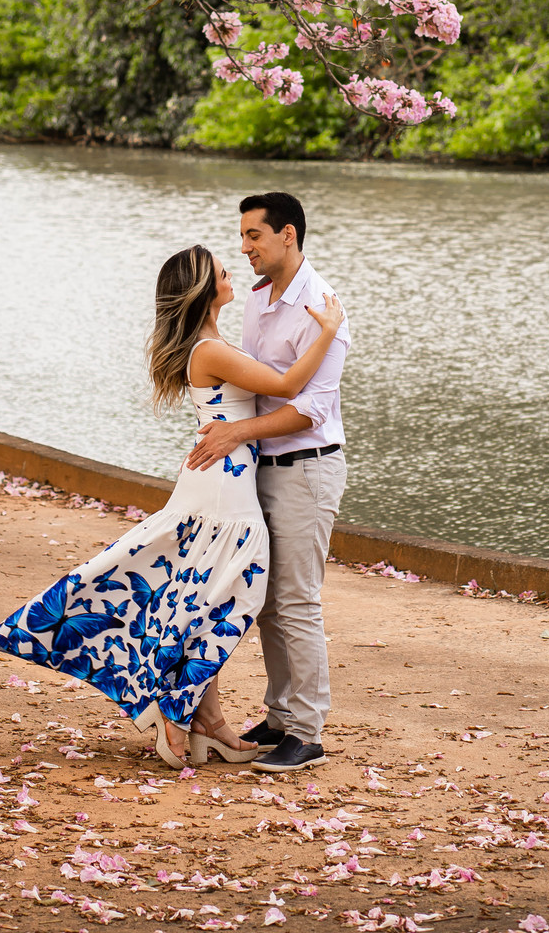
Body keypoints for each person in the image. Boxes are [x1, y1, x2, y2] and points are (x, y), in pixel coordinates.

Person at [0, 244, 344, 770]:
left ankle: (203, 718)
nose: (233, 273)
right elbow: (290, 386)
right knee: (223, 599)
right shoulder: (209, 349)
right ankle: (181, 711)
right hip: (226, 490)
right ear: (203, 290)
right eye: (223, 272)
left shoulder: (214, 343)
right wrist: (329, 330)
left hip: (222, 479)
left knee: (206, 598)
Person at [187, 191, 347, 773]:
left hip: (307, 467)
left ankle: (306, 733)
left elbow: (311, 408)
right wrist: (219, 425)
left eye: (253, 235)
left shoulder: (322, 306)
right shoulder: (258, 301)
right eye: (242, 237)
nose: (244, 246)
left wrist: (235, 433)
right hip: (260, 471)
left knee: (297, 601)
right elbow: (247, 380)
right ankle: (281, 717)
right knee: (266, 602)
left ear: (288, 235)